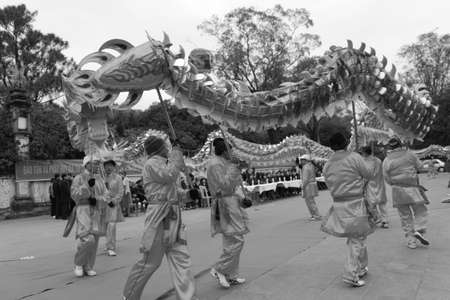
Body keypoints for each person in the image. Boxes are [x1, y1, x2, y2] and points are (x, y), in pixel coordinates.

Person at [123, 135, 197, 300]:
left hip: (173, 216)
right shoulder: (151, 164)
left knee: (181, 257)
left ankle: (187, 296)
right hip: (159, 216)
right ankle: (129, 296)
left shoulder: (165, 164)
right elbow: (169, 175)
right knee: (150, 262)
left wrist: (188, 195)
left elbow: (173, 190)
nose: (168, 149)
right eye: (166, 146)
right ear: (159, 149)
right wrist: (177, 154)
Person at [321, 133, 375, 287]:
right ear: (346, 144)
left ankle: (361, 266)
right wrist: (365, 160)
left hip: (339, 204)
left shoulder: (327, 164)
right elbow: (369, 174)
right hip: (355, 203)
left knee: (358, 236)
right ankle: (351, 274)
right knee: (357, 238)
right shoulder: (354, 157)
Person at [207, 137, 249, 288]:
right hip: (224, 204)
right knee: (237, 239)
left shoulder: (225, 162)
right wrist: (234, 168)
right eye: (230, 150)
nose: (231, 152)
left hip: (232, 201)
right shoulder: (214, 164)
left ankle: (231, 274)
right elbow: (224, 185)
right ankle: (219, 268)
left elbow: (234, 183)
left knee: (230, 242)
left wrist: (243, 197)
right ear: (224, 151)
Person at [382, 137, 430, 249]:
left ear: (390, 147)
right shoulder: (410, 154)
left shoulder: (386, 160)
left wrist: (395, 183)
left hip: (397, 191)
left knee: (405, 216)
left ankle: (411, 241)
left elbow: (387, 179)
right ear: (400, 144)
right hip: (412, 188)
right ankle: (419, 229)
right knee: (420, 210)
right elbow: (420, 167)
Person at [70, 154, 108, 277]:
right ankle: (78, 263)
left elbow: (106, 195)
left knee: (95, 240)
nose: (97, 165)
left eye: (98, 163)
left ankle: (89, 266)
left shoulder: (100, 179)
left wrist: (97, 199)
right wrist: (87, 186)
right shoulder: (79, 178)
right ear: (87, 164)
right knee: (87, 238)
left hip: (95, 210)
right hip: (83, 210)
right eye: (95, 163)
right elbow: (74, 194)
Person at [360, 146, 389, 228]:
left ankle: (378, 218)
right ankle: (385, 220)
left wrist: (362, 186)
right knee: (382, 204)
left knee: (371, 205)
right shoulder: (378, 160)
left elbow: (366, 176)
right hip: (380, 183)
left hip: (370, 185)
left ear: (365, 153)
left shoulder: (364, 162)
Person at [103, 159, 124, 256]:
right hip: (103, 204)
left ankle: (111, 247)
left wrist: (114, 201)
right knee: (105, 226)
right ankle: (108, 243)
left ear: (114, 167)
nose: (108, 167)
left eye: (110, 165)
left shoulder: (118, 178)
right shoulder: (101, 178)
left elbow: (120, 192)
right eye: (106, 166)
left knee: (112, 225)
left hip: (113, 204)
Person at [299, 154, 321, 221]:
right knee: (311, 201)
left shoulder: (305, 167)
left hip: (308, 185)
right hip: (312, 184)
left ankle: (316, 215)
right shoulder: (311, 166)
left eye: (302, 160)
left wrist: (302, 186)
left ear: (305, 160)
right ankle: (315, 214)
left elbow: (305, 179)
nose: (301, 161)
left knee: (309, 202)